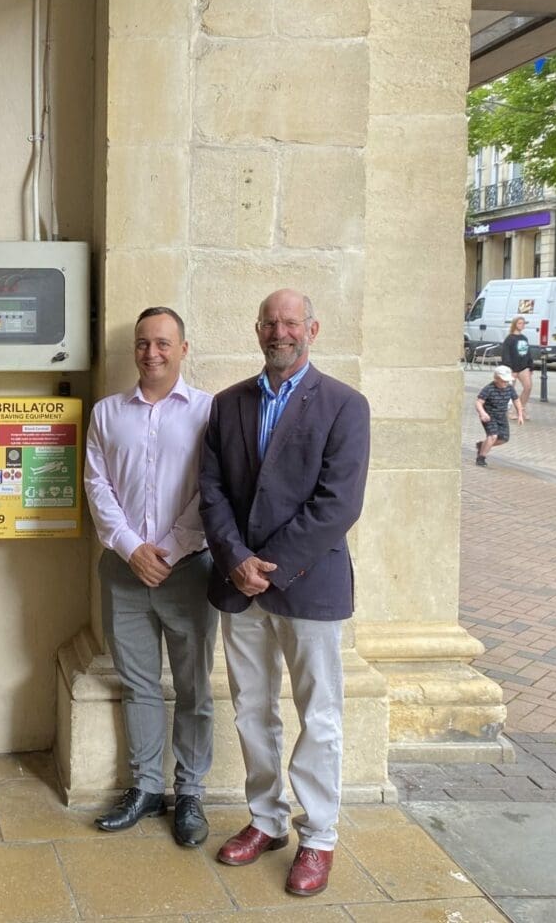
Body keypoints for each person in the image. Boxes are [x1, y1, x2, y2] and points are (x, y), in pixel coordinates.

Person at [199, 289, 371, 899]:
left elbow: (338, 505)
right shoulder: (228, 404)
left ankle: (318, 837)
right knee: (251, 708)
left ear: (312, 329)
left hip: (308, 585)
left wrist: (268, 567)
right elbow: (212, 491)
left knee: (319, 715)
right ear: (257, 330)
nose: (280, 331)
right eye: (270, 322)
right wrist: (236, 560)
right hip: (238, 582)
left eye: (291, 321)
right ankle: (266, 820)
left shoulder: (345, 406)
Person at [84, 307, 215, 847]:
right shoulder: (108, 413)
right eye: (142, 343)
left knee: (193, 688)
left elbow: (214, 490)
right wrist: (132, 548)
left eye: (163, 343)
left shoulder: (210, 411)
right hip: (123, 572)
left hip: (189, 571)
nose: (151, 353)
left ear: (183, 349)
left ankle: (190, 794)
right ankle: (145, 788)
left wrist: (173, 546)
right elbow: (97, 486)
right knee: (138, 684)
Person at [475, 364, 523, 467]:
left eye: (507, 381)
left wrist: (520, 414)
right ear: (496, 378)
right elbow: (478, 402)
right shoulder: (489, 389)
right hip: (489, 416)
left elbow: (516, 400)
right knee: (493, 436)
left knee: (503, 439)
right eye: (503, 381)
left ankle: (481, 445)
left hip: (502, 416)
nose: (505, 383)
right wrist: (482, 413)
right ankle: (481, 458)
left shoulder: (509, 388)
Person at [500, 316, 535, 419]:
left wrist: (530, 366)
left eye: (523, 323)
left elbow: (527, 353)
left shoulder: (524, 338)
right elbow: (505, 354)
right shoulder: (509, 339)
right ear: (515, 324)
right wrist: (510, 368)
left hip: (523, 367)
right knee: (510, 390)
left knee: (528, 387)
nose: (522, 325)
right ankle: (509, 410)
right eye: (520, 323)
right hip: (512, 367)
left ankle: (521, 409)